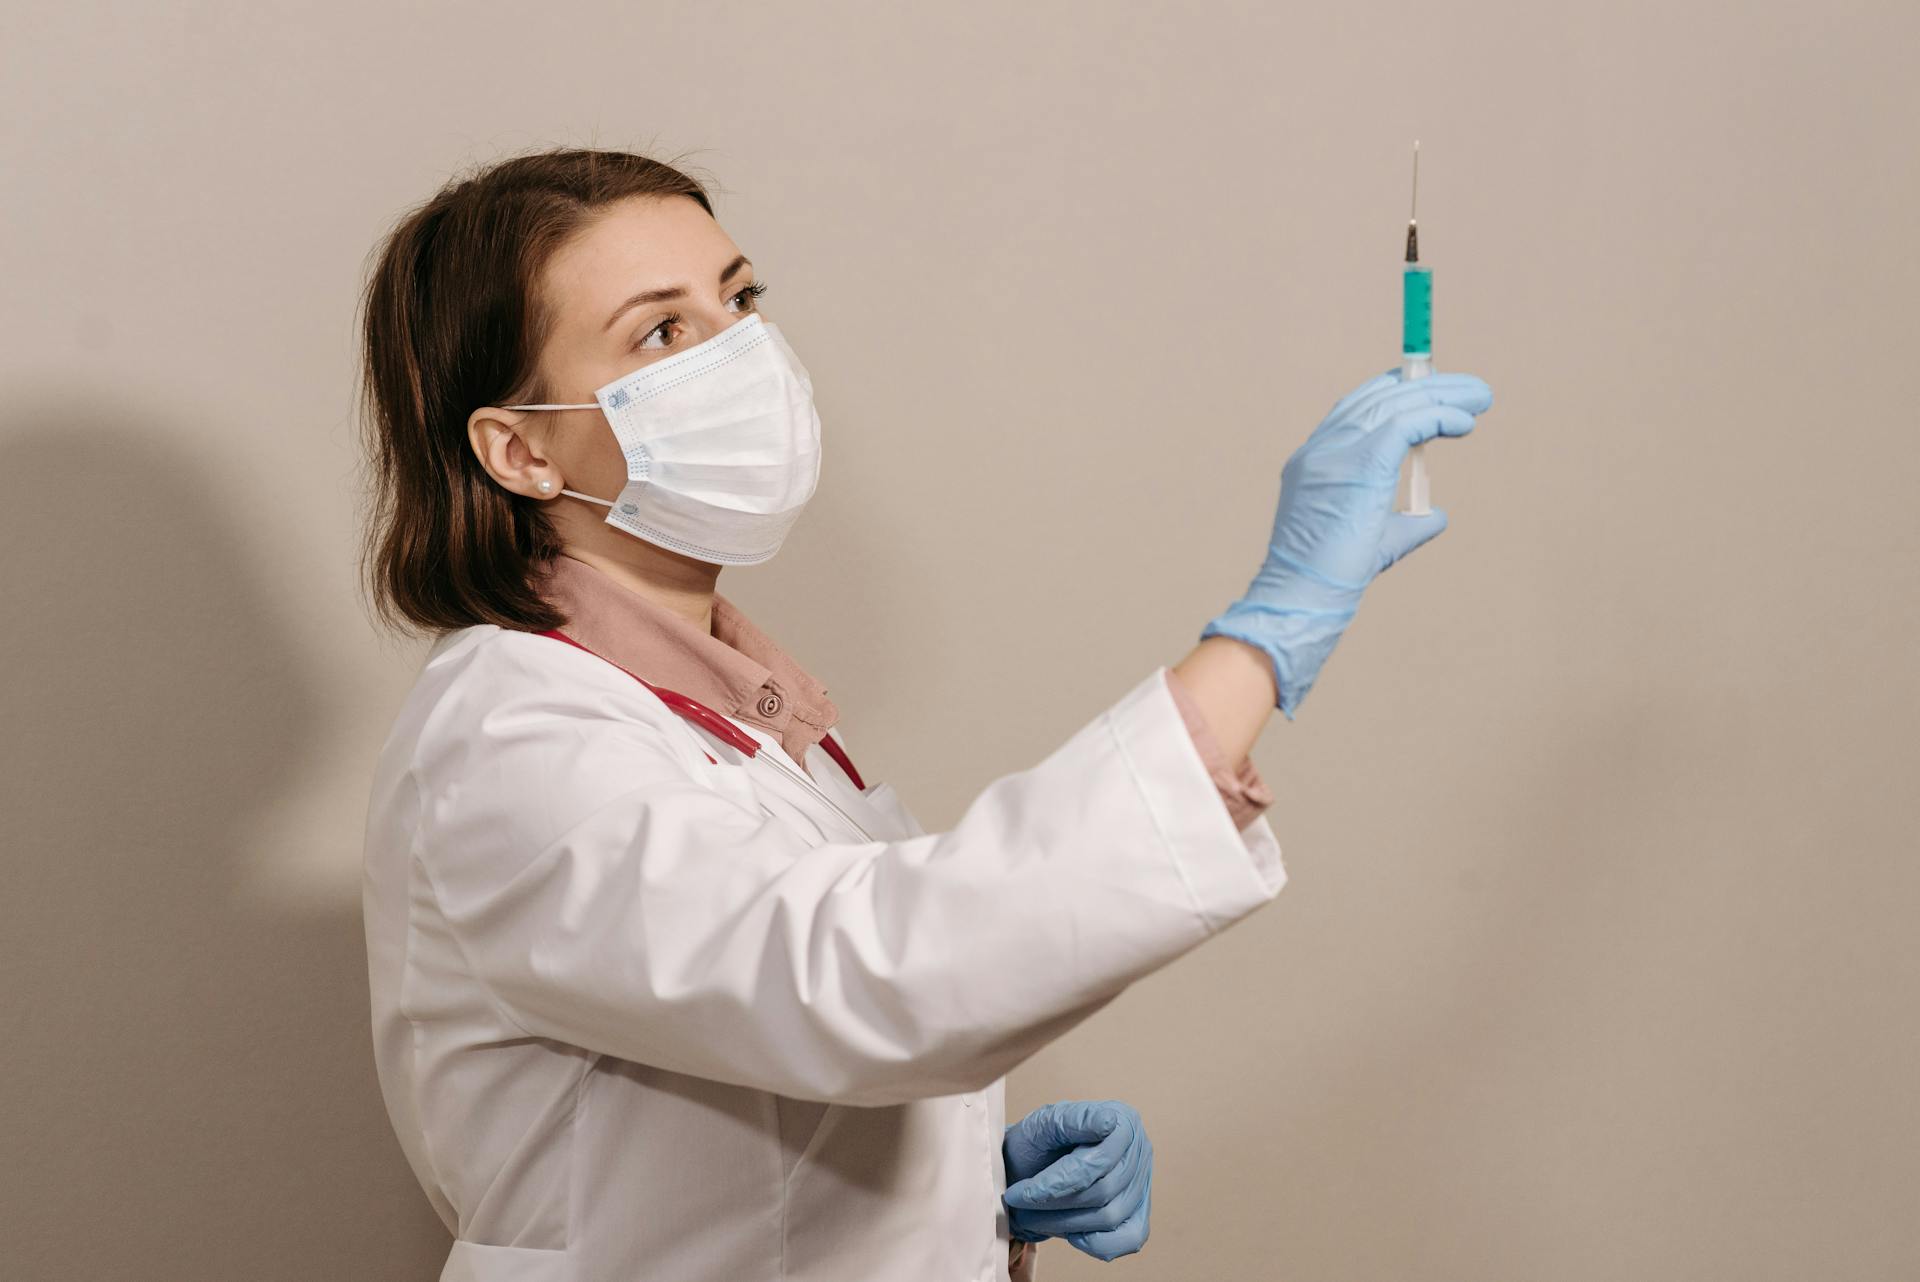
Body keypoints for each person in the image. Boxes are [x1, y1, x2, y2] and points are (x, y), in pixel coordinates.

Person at [356, 147, 1493, 1282]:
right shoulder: (508, 739)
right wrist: (1268, 632)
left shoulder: (756, 723)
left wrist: (966, 1194)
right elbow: (855, 976)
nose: (741, 352)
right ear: (520, 451)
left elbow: (747, 1095)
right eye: (662, 332)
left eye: (739, 298)